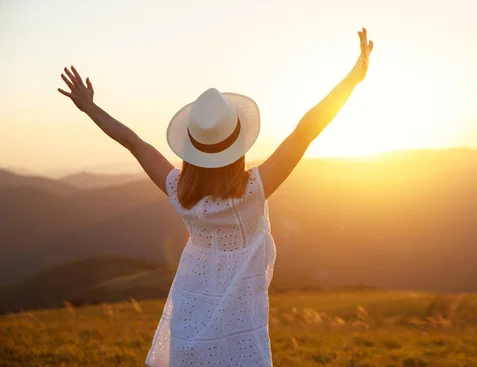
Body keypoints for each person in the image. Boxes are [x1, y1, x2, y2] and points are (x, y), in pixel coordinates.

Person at [58, 27, 374, 367]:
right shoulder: (253, 191)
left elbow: (135, 144)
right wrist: (353, 79)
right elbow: (306, 130)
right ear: (238, 146)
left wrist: (90, 108)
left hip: (188, 322)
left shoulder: (181, 192)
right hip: (240, 332)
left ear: (191, 148)